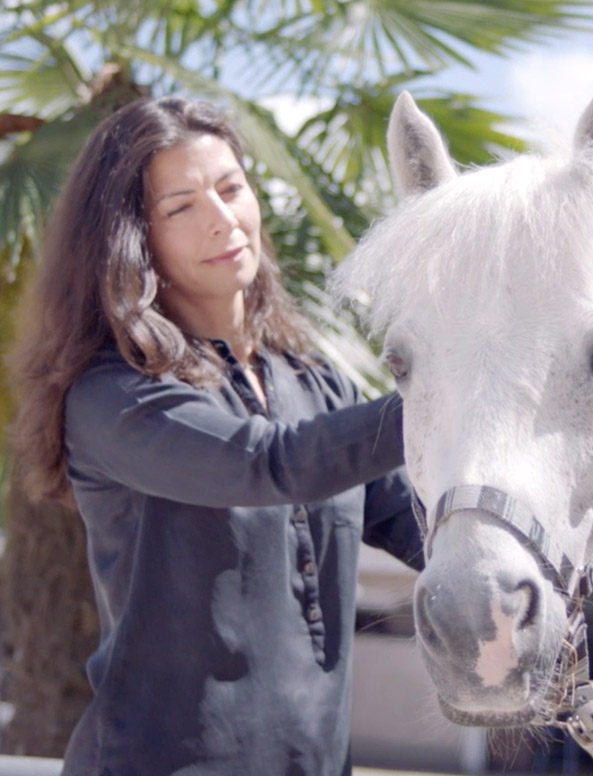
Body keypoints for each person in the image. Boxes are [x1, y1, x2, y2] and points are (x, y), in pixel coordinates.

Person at [9, 96, 423, 776]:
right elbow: (270, 466)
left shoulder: (319, 384)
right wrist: (454, 390)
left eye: (231, 189)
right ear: (132, 241)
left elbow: (418, 523)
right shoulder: (111, 396)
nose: (223, 219)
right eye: (181, 208)